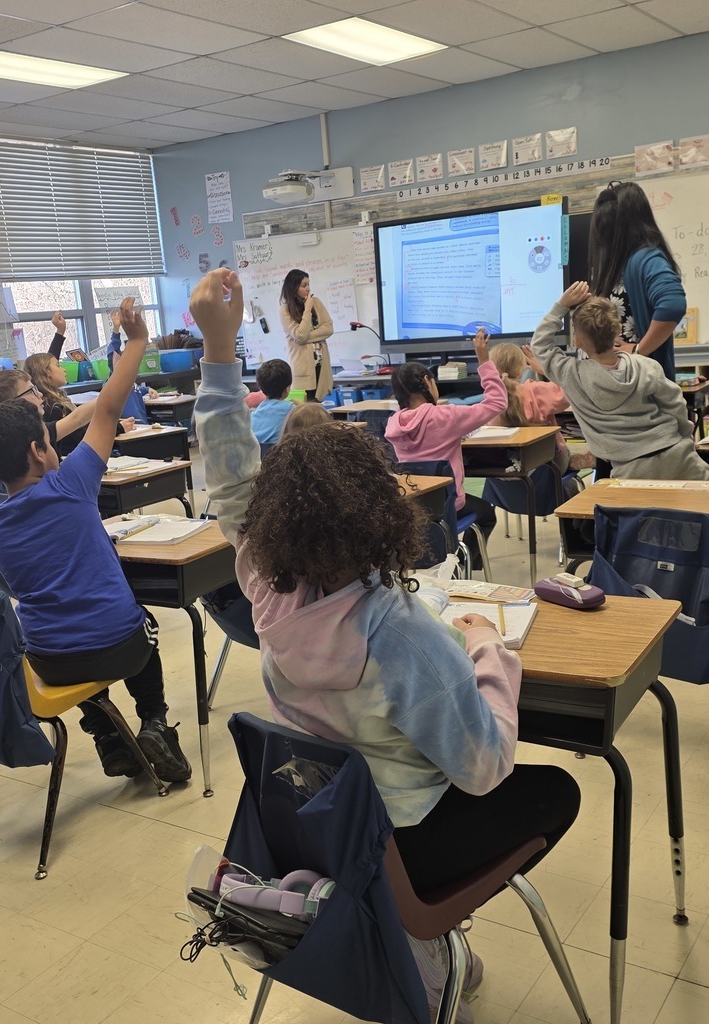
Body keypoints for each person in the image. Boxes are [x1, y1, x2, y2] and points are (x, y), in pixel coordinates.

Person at [191, 269, 580, 1014]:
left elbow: (231, 477)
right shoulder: (398, 631)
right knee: (555, 789)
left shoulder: (267, 586)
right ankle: (430, 942)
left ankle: (413, 940)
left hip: (328, 826)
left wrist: (217, 348)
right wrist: (488, 655)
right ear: (380, 511)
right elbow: (483, 768)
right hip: (404, 842)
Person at [0, 299, 192, 783]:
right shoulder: (72, 484)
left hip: (48, 660)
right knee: (145, 628)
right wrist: (135, 341)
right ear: (38, 449)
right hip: (116, 645)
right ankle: (154, 722)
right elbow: (109, 406)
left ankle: (108, 737)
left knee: (73, 643)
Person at [530, 282, 709, 480]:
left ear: (578, 341)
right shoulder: (646, 366)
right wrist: (684, 435)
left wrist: (561, 305)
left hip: (630, 471)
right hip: (678, 456)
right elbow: (675, 404)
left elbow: (540, 345)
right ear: (617, 330)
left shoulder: (572, 375)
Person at [385, 335, 508, 564]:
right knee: (487, 514)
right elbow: (497, 403)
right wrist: (483, 360)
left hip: (411, 507)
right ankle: (464, 563)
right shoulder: (446, 416)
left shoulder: (393, 424)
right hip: (448, 507)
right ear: (426, 381)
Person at [589, 180, 686, 383]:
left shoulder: (646, 259)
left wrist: (638, 349)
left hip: (639, 386)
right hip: (618, 381)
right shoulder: (621, 264)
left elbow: (672, 305)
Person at [489, 343, 571, 474]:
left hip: (504, 466)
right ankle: (567, 488)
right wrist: (544, 370)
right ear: (522, 368)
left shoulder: (490, 398)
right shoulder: (534, 390)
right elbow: (571, 390)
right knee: (563, 452)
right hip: (547, 463)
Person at [0, 368, 95, 455]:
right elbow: (78, 418)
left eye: (36, 388)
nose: (39, 394)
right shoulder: (31, 434)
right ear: (14, 402)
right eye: (31, 391)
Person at [279, 269, 334, 402]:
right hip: (303, 370)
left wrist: (303, 338)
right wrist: (307, 309)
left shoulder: (316, 302)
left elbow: (328, 328)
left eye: (308, 284)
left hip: (321, 366)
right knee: (306, 409)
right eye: (304, 285)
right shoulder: (285, 310)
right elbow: (300, 335)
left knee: (318, 405)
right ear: (293, 287)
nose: (308, 289)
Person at [250, 358, 293, 443]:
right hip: (282, 454)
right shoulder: (292, 411)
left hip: (257, 455)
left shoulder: (252, 415)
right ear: (287, 388)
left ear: (261, 388)